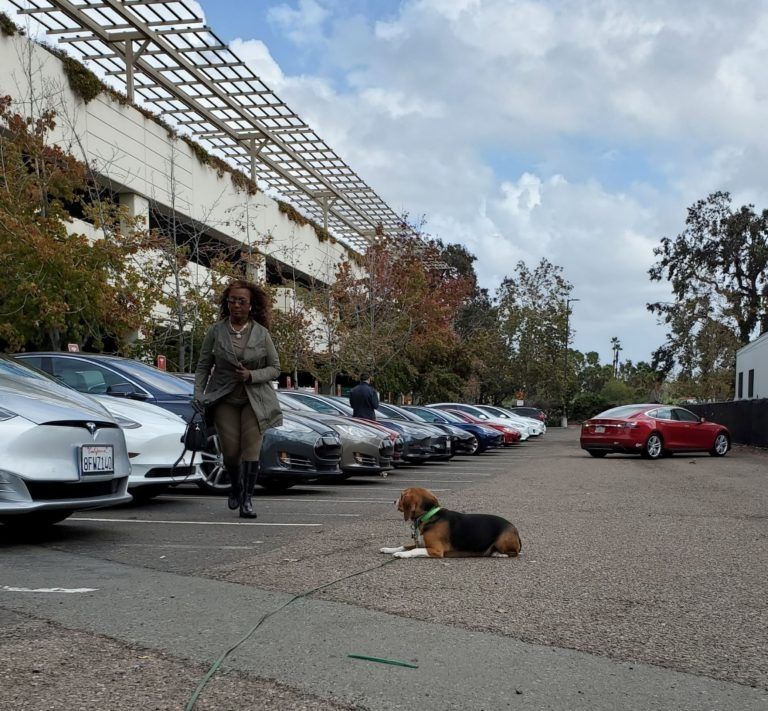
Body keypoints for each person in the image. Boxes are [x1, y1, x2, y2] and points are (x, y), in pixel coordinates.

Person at [194, 279, 283, 518]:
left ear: (251, 305)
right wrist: (199, 394)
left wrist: (252, 375)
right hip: (224, 397)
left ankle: (247, 500)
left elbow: (275, 368)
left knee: (251, 450)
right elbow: (203, 366)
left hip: (255, 400)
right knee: (231, 452)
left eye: (241, 301)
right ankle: (235, 487)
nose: (236, 305)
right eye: (232, 300)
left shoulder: (261, 333)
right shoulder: (216, 331)